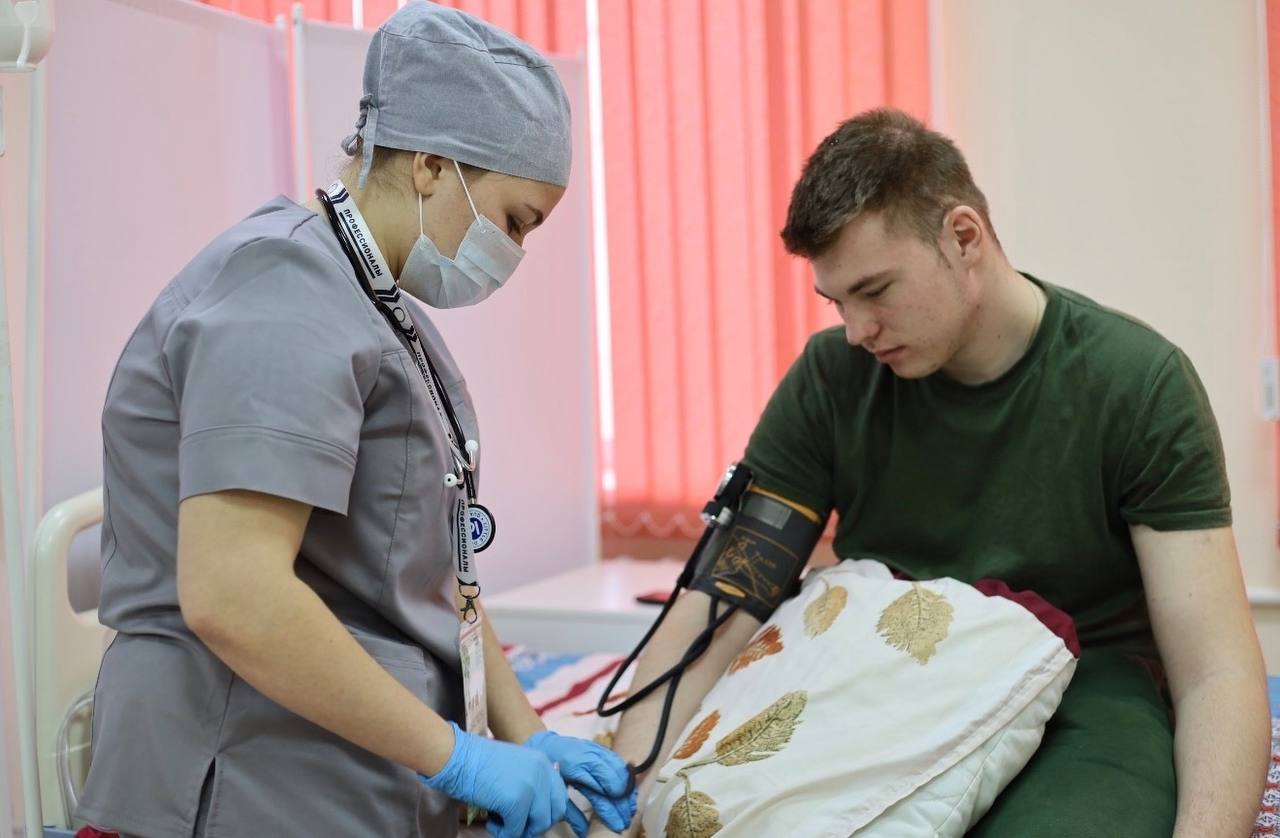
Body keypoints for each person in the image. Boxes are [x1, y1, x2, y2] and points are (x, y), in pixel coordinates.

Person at [594, 109, 1269, 837]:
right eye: (837, 302)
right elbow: (724, 601)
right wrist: (623, 798)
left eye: (876, 290)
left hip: (1082, 696)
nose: (857, 330)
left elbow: (1215, 672)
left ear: (963, 238)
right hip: (874, 681)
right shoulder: (832, 377)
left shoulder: (1137, 384)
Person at [75, 3, 636, 837]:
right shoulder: (282, 290)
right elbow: (235, 594)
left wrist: (529, 733)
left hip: (350, 777)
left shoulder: (373, 305)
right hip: (245, 780)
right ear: (432, 165)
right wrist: (459, 758)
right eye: (516, 220)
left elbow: (434, 579)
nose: (517, 250)